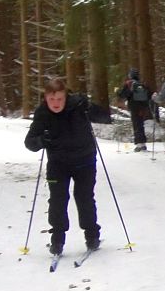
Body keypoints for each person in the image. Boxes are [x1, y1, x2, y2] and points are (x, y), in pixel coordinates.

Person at [23, 77, 112, 255]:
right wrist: (41, 140)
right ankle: (57, 240)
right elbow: (29, 142)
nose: (55, 103)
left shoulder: (78, 106)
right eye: (51, 99)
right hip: (58, 163)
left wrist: (90, 106)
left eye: (59, 99)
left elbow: (105, 117)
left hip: (84, 160)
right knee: (57, 199)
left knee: (84, 197)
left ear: (66, 96)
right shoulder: (43, 113)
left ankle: (92, 236)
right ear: (45, 98)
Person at [116, 69, 154, 151]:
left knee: (136, 124)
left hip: (134, 106)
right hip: (143, 106)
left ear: (130, 75)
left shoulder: (129, 83)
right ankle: (142, 143)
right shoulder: (142, 84)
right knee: (140, 124)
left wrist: (117, 91)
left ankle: (140, 144)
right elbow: (150, 94)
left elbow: (124, 94)